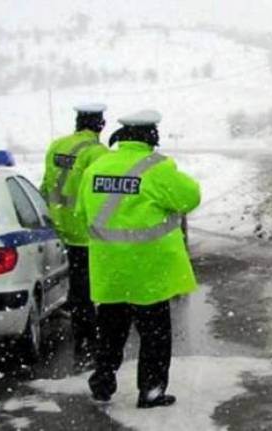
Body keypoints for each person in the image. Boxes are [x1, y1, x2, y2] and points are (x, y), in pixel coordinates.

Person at [75, 109, 201, 406]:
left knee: (110, 333)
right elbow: (190, 197)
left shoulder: (97, 166)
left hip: (110, 270)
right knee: (155, 337)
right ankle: (151, 391)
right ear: (150, 136)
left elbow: (82, 214)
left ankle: (103, 381)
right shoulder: (157, 168)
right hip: (148, 271)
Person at [39, 104, 110, 371]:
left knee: (78, 290)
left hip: (61, 228)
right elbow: (101, 194)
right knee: (93, 291)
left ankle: (84, 341)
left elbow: (46, 185)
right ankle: (90, 344)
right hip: (88, 233)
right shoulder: (97, 153)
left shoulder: (57, 146)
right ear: (100, 126)